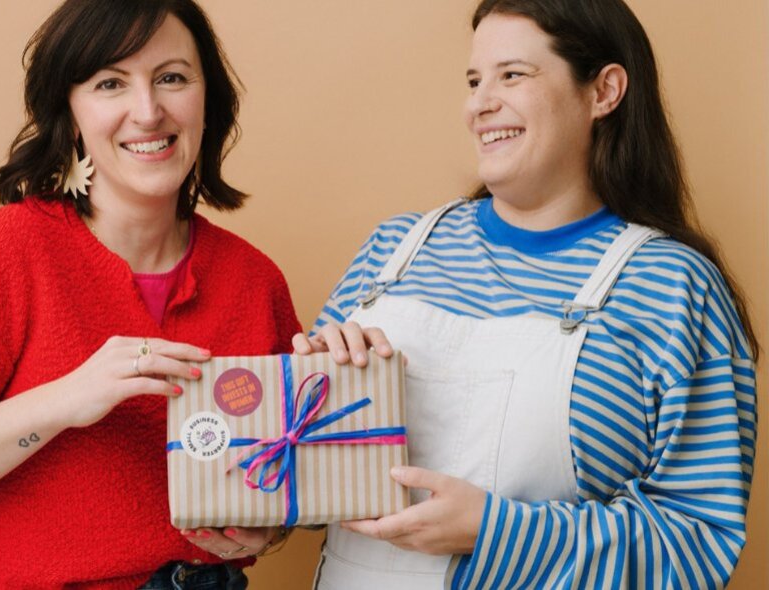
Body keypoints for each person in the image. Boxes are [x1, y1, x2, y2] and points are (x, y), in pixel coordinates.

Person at [294, 0, 758, 588]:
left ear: (604, 91)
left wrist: (495, 531)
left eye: (512, 75)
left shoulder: (673, 289)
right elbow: (296, 474)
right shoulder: (393, 251)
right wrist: (314, 403)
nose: (478, 104)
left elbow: (700, 543)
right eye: (473, 80)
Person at [0, 0, 300, 588]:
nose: (148, 111)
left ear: (208, 100)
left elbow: (287, 476)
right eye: (111, 83)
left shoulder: (254, 280)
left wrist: (270, 528)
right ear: (71, 113)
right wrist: (66, 399)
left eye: (172, 78)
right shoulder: (3, 253)